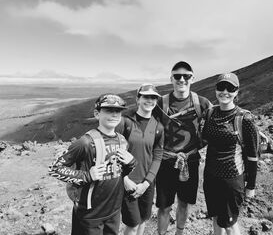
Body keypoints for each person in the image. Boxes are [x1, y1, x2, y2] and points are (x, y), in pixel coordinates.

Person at [49, 94, 136, 235]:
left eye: (118, 111)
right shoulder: (85, 143)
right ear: (97, 114)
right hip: (89, 215)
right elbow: (55, 169)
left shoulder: (122, 141)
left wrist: (131, 164)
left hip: (113, 211)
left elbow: (120, 173)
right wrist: (87, 175)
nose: (114, 114)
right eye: (108, 110)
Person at [154, 61, 213, 235]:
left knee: (184, 203)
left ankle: (179, 232)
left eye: (186, 76)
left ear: (192, 79)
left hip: (190, 160)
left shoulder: (201, 103)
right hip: (166, 162)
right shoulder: (160, 103)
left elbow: (216, 124)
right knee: (164, 206)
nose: (181, 79)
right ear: (171, 78)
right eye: (177, 76)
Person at [202, 72, 258, 235]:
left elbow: (252, 156)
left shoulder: (244, 118)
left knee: (229, 223)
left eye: (230, 88)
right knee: (216, 217)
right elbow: (204, 140)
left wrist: (251, 186)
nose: (225, 91)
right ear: (215, 89)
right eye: (221, 87)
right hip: (211, 176)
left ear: (236, 92)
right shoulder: (210, 114)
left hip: (232, 179)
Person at [116, 84, 164, 235]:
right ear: (138, 99)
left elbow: (157, 157)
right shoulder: (125, 123)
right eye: (146, 97)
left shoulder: (158, 127)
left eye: (153, 98)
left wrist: (146, 183)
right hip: (127, 183)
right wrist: (124, 180)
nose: (150, 101)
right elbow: (113, 153)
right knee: (133, 224)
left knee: (143, 219)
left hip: (146, 184)